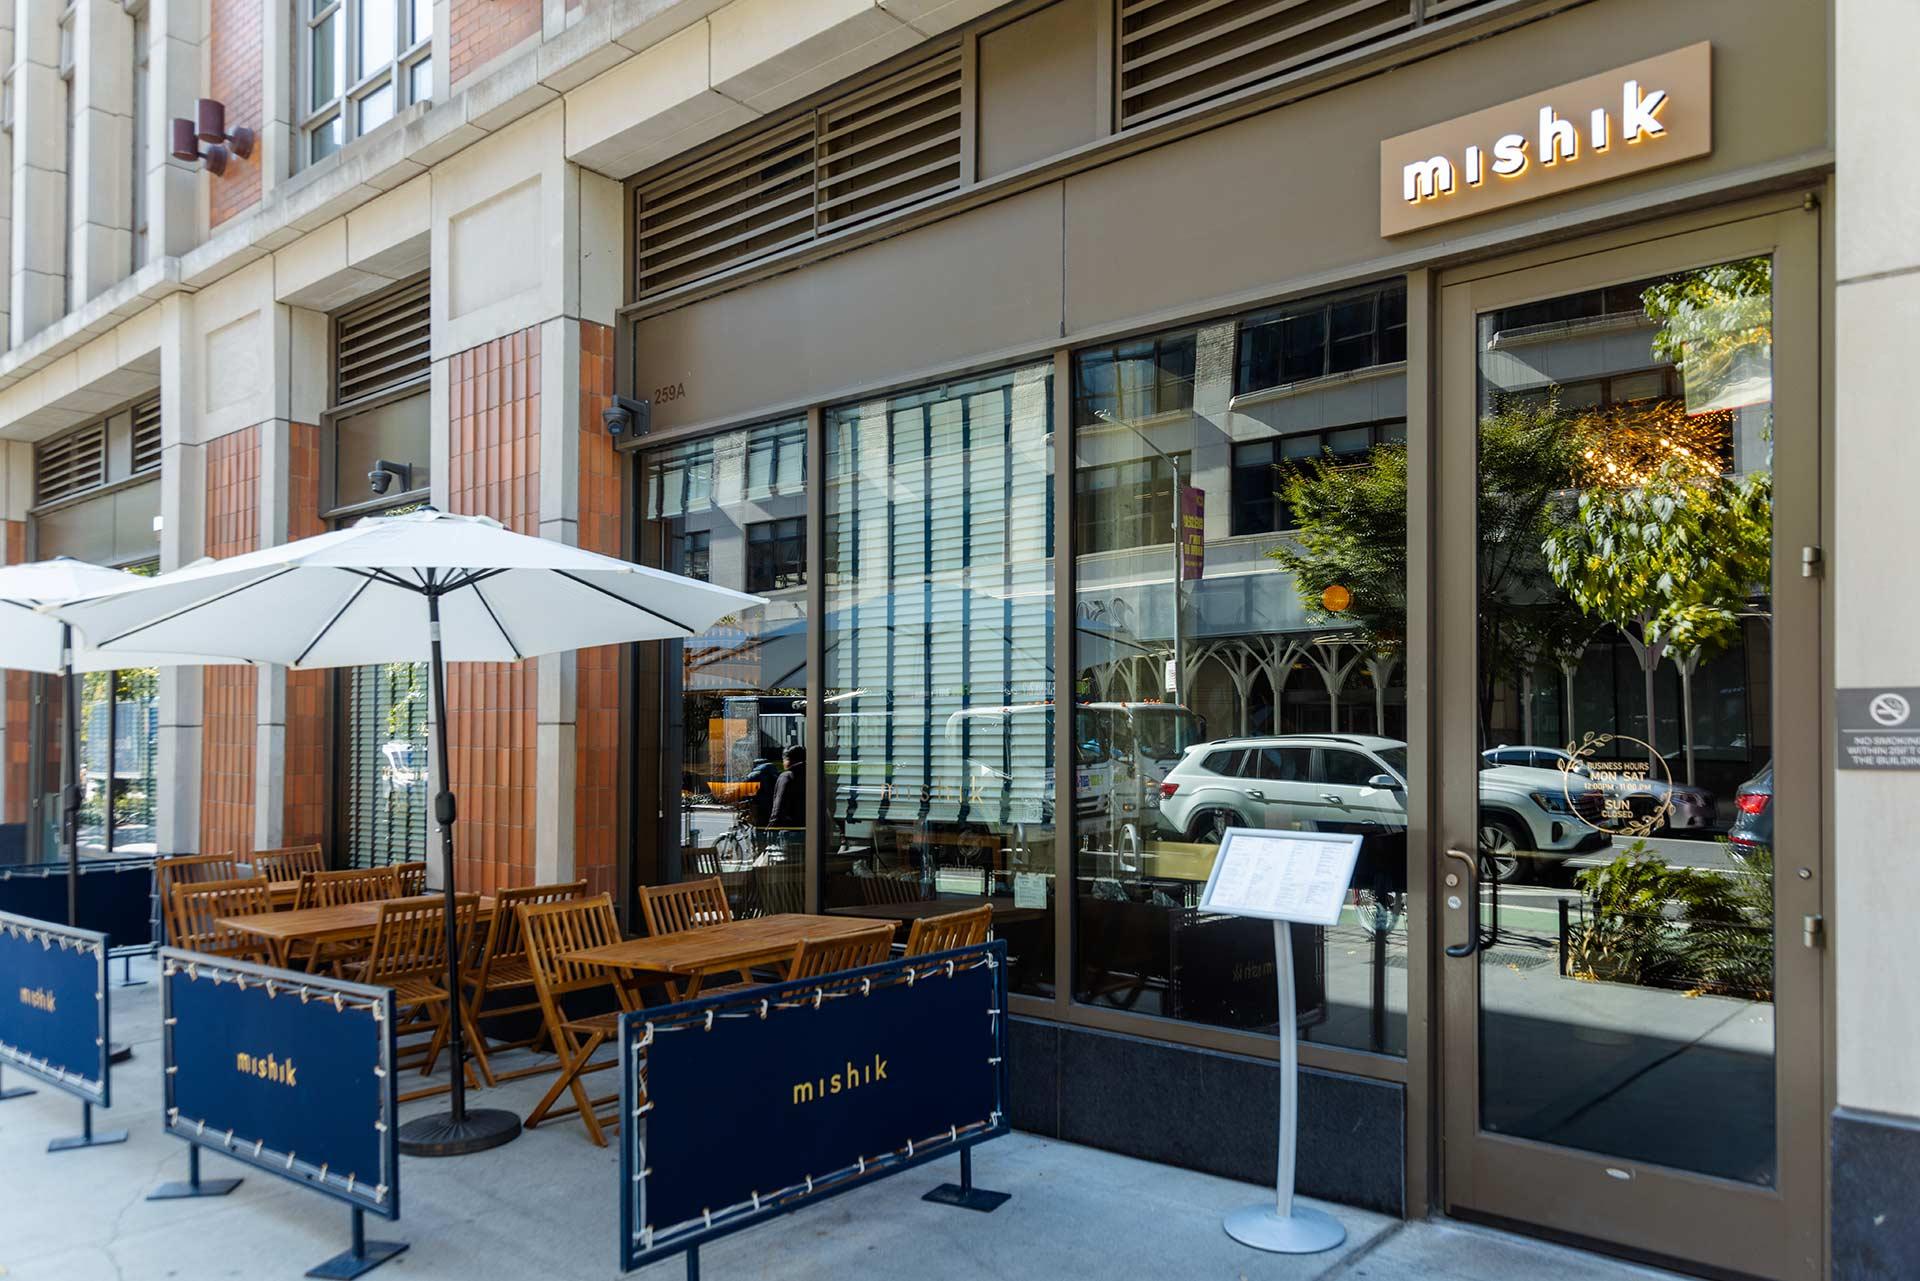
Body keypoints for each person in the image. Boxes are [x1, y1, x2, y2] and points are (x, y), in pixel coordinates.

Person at [767, 745, 806, 829]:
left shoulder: (787, 776)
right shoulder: (814, 775)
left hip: (790, 829)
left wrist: (771, 827)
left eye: (783, 760)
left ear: (788, 759)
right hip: (812, 828)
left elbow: (779, 806)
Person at [743, 756, 779, 827]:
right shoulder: (776, 774)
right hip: (774, 806)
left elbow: (745, 791)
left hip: (757, 806)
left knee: (758, 826)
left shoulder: (752, 775)